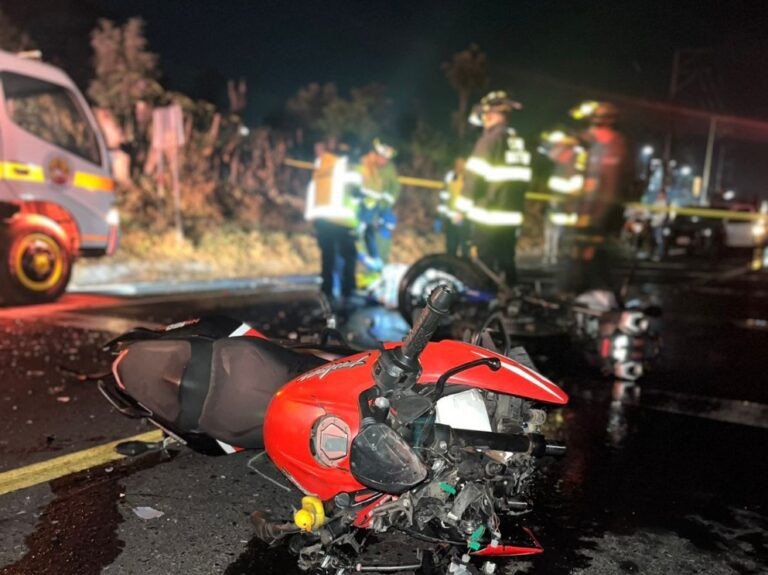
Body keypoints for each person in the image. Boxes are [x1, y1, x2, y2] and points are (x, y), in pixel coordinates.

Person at [457, 90, 532, 286]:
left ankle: (485, 307)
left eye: (485, 114)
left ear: (490, 115)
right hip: (512, 216)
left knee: (485, 264)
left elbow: (474, 178)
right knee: (507, 262)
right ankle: (511, 302)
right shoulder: (517, 142)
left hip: (489, 216)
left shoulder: (489, 141)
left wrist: (460, 209)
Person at [560, 101, 633, 293]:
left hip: (599, 220)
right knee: (575, 262)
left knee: (595, 264)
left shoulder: (614, 146)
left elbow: (612, 186)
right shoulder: (586, 144)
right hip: (580, 217)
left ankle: (598, 301)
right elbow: (561, 160)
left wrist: (598, 218)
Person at [305, 141, 360, 302]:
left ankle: (326, 289)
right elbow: (355, 192)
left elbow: (313, 192)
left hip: (322, 218)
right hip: (341, 219)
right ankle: (348, 290)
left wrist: (312, 219)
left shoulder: (321, 164)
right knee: (349, 255)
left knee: (327, 255)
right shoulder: (347, 164)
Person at [539, 129, 587, 264]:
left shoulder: (574, 155)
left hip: (567, 199)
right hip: (558, 197)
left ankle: (558, 255)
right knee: (552, 228)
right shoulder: (569, 154)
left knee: (562, 229)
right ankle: (551, 254)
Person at [357, 139, 401, 266]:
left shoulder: (390, 168)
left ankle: (382, 265)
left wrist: (387, 203)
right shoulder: (365, 163)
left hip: (381, 208)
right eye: (383, 158)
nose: (385, 161)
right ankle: (366, 266)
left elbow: (395, 187)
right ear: (376, 154)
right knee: (362, 237)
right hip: (364, 208)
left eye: (387, 159)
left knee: (383, 235)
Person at [437, 158, 469, 257]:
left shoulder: (469, 178)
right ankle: (450, 268)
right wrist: (439, 216)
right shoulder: (450, 176)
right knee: (451, 246)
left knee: (465, 247)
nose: (459, 166)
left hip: (465, 218)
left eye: (462, 163)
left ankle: (465, 269)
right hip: (452, 217)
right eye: (458, 163)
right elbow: (444, 196)